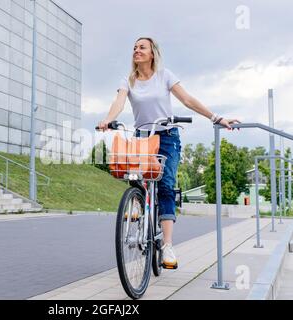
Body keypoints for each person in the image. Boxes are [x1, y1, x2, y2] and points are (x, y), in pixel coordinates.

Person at [98, 37, 240, 269]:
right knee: (134, 176)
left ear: (152, 53)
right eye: (134, 47)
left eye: (142, 47)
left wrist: (216, 117)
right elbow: (119, 103)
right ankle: (137, 202)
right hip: (142, 137)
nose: (136, 50)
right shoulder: (128, 81)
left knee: (165, 187)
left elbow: (187, 99)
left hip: (166, 137)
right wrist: (108, 119)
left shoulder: (165, 76)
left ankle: (167, 246)